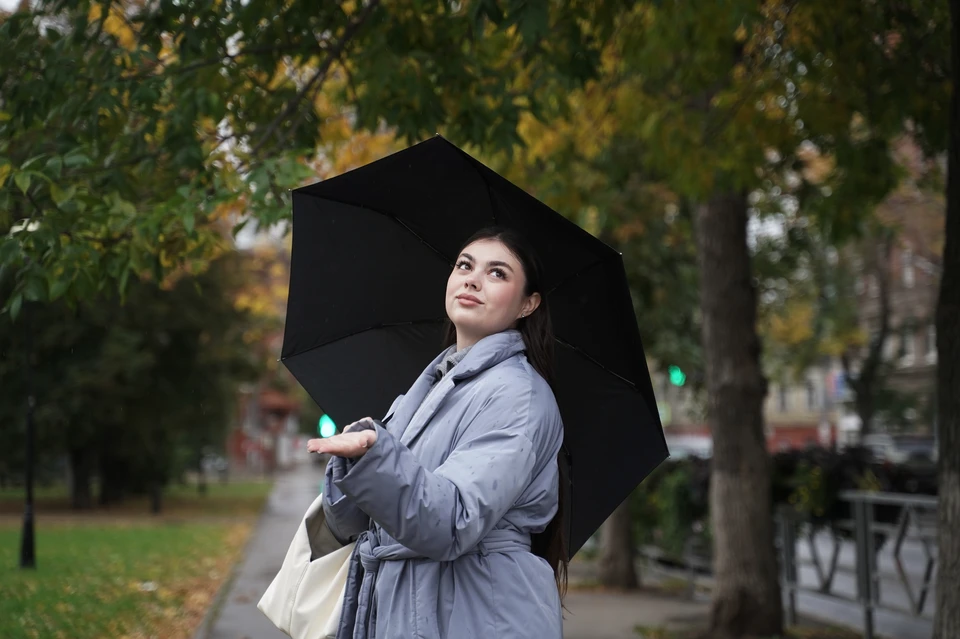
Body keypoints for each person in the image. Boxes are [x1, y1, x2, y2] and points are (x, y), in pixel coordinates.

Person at [306, 226, 567, 639]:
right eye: (464, 265)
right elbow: (359, 523)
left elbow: (451, 522)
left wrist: (376, 459)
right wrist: (355, 461)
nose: (472, 280)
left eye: (497, 273)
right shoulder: (427, 390)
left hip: (478, 614)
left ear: (527, 304)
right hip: (410, 606)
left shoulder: (519, 395)